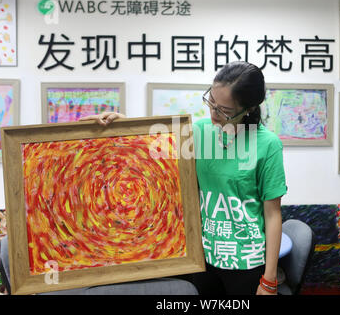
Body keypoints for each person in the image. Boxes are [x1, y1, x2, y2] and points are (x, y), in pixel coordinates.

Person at [80, 61, 287, 295]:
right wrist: (120, 124)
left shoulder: (267, 145)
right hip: (202, 257)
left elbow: (272, 214)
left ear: (248, 108)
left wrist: (269, 279)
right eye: (211, 103)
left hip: (246, 263)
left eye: (224, 111)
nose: (213, 114)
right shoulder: (199, 132)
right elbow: (149, 152)